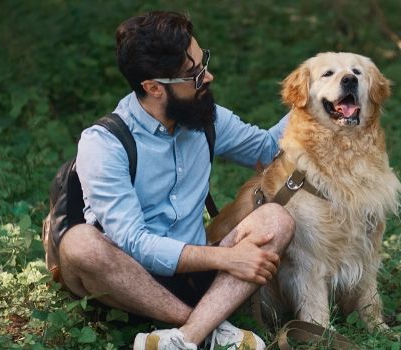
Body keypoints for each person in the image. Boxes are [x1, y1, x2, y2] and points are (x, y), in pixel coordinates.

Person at [51, 11, 294, 350]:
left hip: (195, 276)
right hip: (128, 279)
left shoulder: (206, 118)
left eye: (202, 62)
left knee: (276, 219)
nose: (208, 77)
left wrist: (314, 93)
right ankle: (207, 327)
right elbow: (134, 242)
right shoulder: (103, 144)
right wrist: (225, 259)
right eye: (193, 75)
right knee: (79, 244)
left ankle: (186, 337)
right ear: (153, 88)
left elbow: (269, 149)